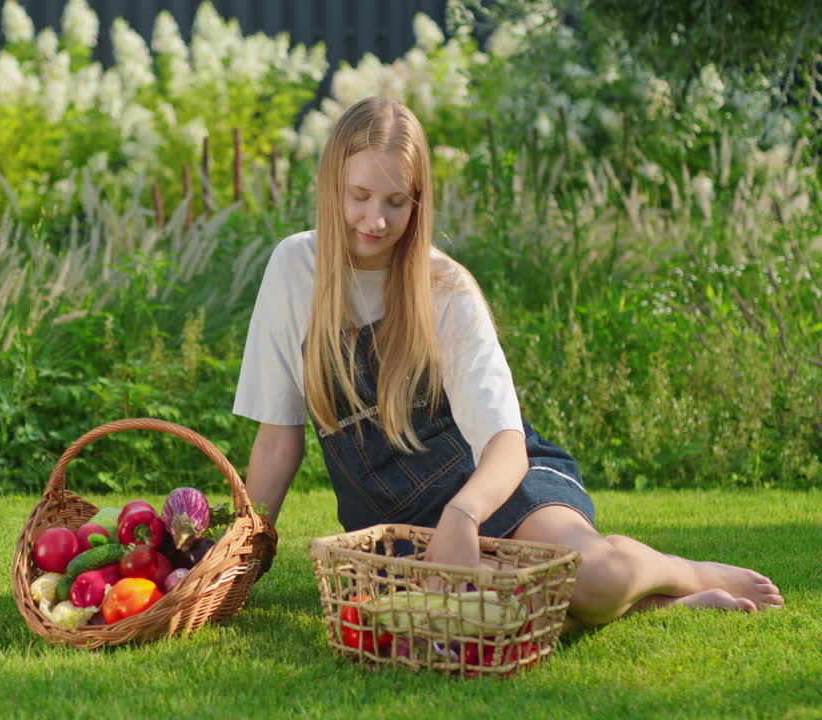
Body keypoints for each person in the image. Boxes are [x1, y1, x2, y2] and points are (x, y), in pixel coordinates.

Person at [232, 97, 783, 625]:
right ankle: (664, 609)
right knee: (488, 605)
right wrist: (242, 557)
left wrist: (464, 515)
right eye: (360, 196)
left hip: (492, 484)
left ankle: (683, 573)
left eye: (396, 201)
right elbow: (280, 438)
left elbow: (504, 441)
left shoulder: (444, 287)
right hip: (396, 526)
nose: (375, 220)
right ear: (332, 187)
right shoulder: (293, 270)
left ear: (417, 200)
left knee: (594, 576)